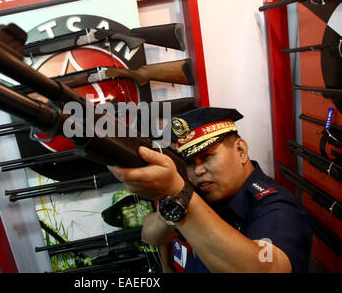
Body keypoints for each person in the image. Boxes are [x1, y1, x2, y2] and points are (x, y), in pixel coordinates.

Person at [108, 107, 312, 273]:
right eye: (189, 163)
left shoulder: (276, 208)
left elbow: (268, 269)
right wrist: (174, 209)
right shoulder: (204, 194)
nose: (198, 170)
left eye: (207, 157)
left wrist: (180, 194)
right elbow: (150, 234)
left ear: (240, 150)